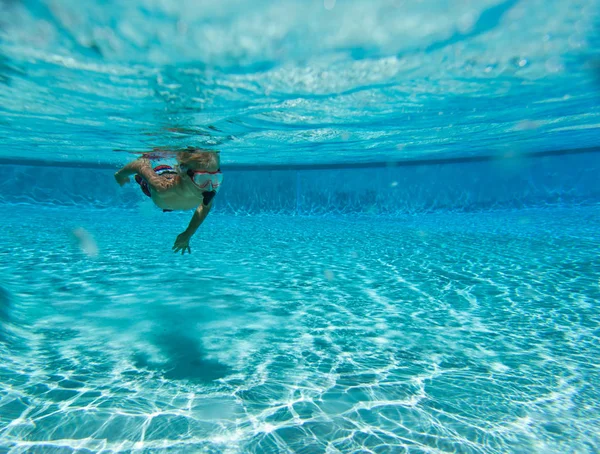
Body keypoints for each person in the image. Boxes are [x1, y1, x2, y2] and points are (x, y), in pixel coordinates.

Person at [114, 147, 222, 254]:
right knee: (142, 176)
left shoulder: (206, 189)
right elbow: (140, 165)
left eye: (215, 178)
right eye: (202, 178)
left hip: (179, 182)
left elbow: (205, 207)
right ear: (183, 172)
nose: (209, 187)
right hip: (159, 179)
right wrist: (120, 175)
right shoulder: (162, 188)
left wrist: (188, 234)